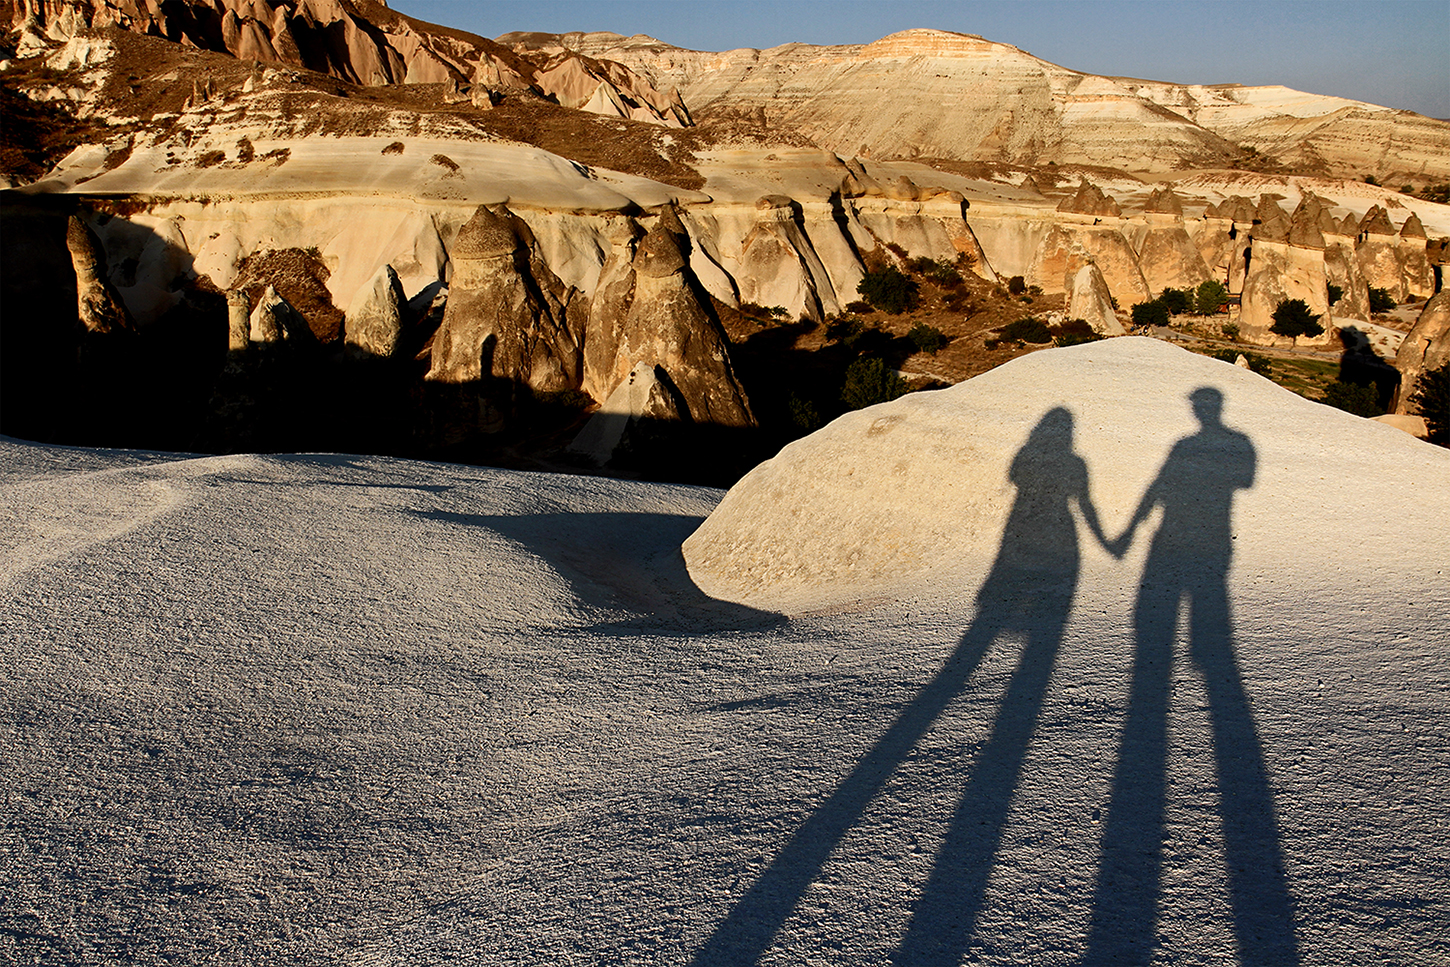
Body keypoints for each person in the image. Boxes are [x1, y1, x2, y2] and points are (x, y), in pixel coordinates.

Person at [1088, 387, 1297, 965]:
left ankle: (1171, 684)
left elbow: (1160, 488)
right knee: (1188, 635)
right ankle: (1193, 678)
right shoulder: (1233, 444)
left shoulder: (1192, 444)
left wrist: (1130, 530)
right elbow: (1240, 482)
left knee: (1169, 631)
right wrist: (1134, 527)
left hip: (1184, 544)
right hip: (1196, 546)